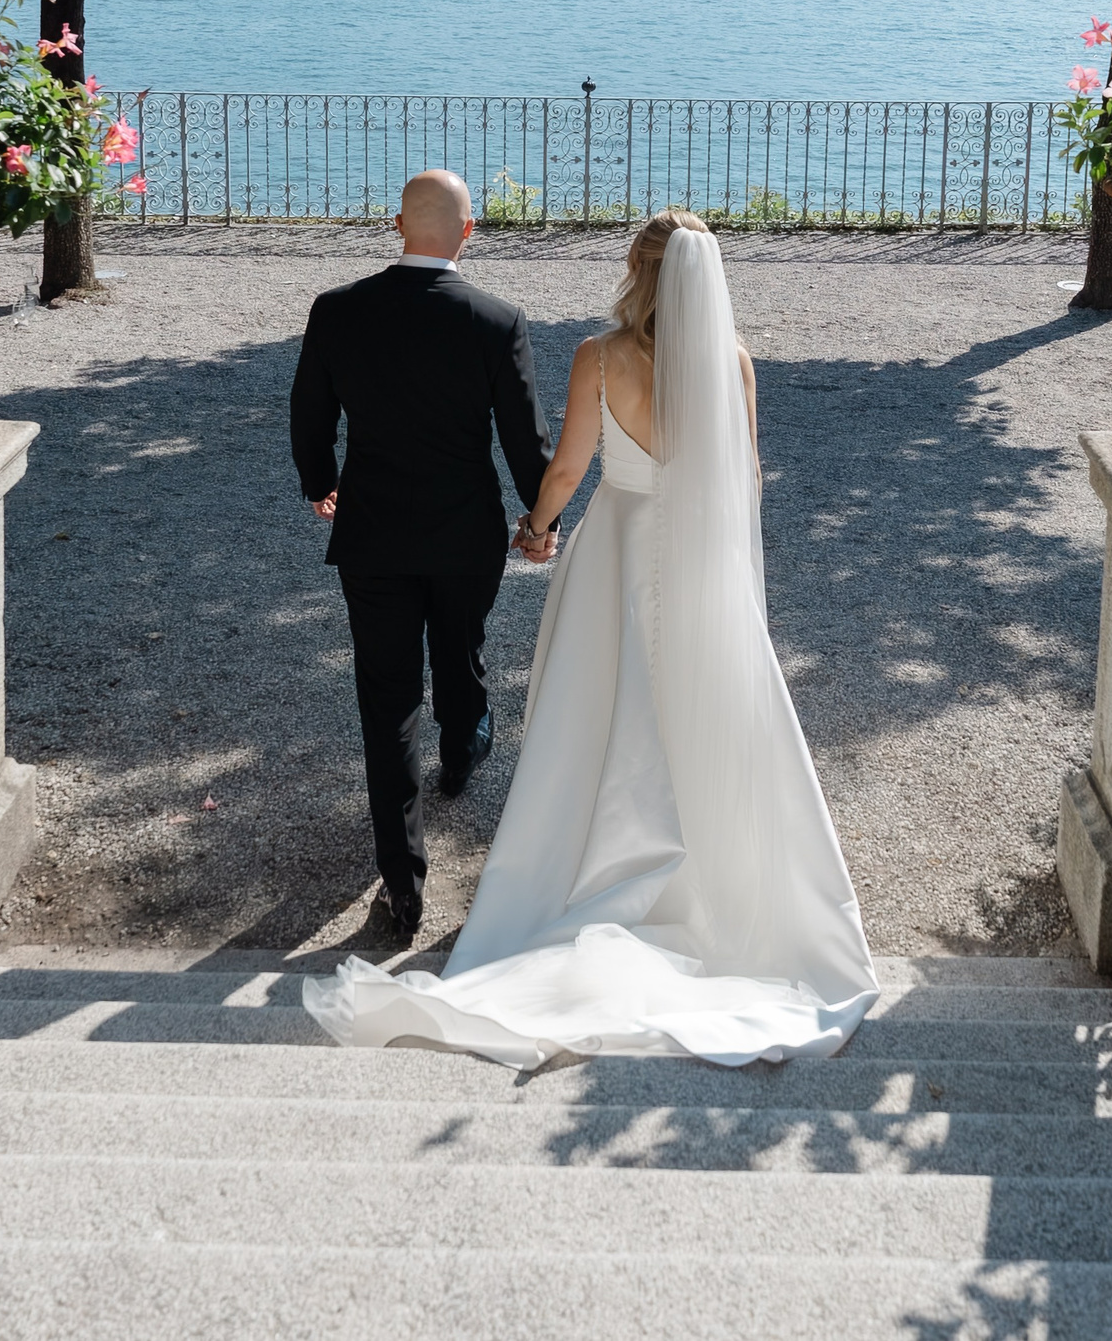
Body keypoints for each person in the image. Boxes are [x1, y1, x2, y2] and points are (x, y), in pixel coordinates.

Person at [303, 210, 879, 1067]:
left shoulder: (600, 357)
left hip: (619, 548)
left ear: (638, 272)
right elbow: (746, 478)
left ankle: (592, 860)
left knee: (602, 707)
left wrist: (536, 526)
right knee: (705, 703)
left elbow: (568, 468)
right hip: (700, 560)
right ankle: (720, 882)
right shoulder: (735, 364)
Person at [289, 169, 553, 944]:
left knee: (386, 695)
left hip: (373, 532)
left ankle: (402, 881)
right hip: (467, 530)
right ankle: (465, 742)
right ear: (468, 233)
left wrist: (321, 481)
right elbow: (524, 438)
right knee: (462, 641)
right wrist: (539, 519)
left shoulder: (338, 311)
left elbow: (309, 412)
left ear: (396, 225)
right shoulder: (496, 320)